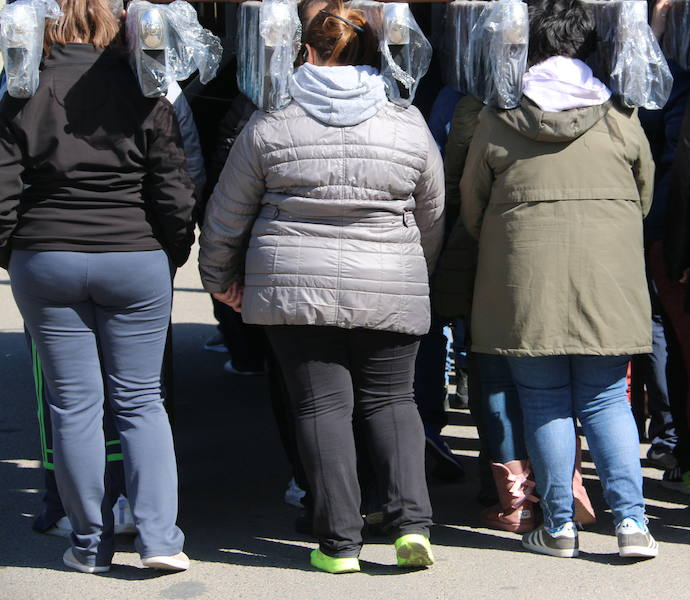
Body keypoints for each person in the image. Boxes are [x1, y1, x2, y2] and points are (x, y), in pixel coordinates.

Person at [199, 3, 445, 574]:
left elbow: (227, 215)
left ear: (304, 51)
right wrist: (414, 270)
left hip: (292, 288)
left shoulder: (271, 121)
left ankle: (339, 542)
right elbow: (432, 210)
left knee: (320, 405)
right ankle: (413, 525)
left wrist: (221, 281)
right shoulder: (407, 121)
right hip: (389, 278)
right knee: (394, 400)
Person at [0, 0, 195, 574]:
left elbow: (2, 190)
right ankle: (160, 539)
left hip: (47, 256)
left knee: (73, 407)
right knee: (141, 402)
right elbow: (174, 188)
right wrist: (170, 253)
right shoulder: (147, 87)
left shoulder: (21, 88)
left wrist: (14, 254)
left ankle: (89, 545)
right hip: (134, 256)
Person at [461, 0, 657, 559]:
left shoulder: (499, 117)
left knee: (543, 400)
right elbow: (643, 197)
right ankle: (632, 525)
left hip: (525, 283)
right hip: (607, 279)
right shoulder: (620, 117)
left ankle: (560, 525)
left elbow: (473, 209)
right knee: (605, 400)